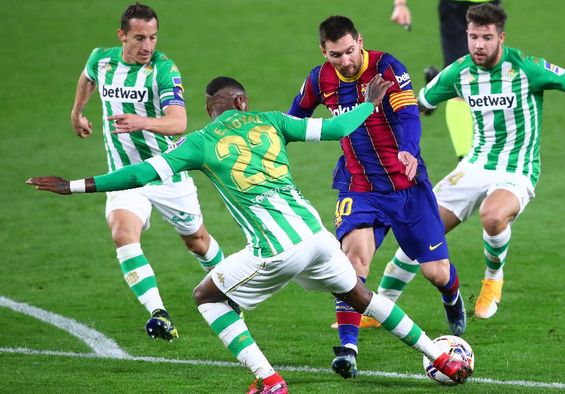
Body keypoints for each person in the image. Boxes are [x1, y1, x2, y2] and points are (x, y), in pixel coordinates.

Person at [27, 75, 473, 394]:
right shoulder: (272, 121)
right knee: (359, 294)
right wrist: (369, 102)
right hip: (317, 236)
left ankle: (270, 380)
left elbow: (139, 173)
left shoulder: (199, 142)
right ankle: (440, 357)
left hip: (275, 248)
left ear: (210, 109)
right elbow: (337, 128)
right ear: (241, 101)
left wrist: (74, 185)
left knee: (207, 296)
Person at [376, 3, 565, 319]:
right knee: (420, 230)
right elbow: (416, 105)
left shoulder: (526, 68)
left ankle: (493, 278)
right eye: (473, 36)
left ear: (501, 37)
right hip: (474, 166)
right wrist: (374, 120)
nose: (478, 44)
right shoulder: (458, 72)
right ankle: (379, 305)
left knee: (492, 216)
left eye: (486, 37)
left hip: (517, 170)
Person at [288, 15, 466, 379]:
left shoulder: (387, 67)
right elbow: (296, 118)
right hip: (359, 186)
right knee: (352, 264)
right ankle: (348, 349)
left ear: (360, 41)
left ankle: (452, 297)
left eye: (351, 51)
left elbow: (408, 114)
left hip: (405, 184)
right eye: (336, 55)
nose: (346, 61)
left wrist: (409, 150)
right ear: (324, 51)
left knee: (437, 272)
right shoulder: (318, 80)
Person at [69, 3, 224, 341]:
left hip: (167, 173)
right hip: (125, 175)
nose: (148, 46)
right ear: (121, 36)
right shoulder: (102, 59)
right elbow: (87, 77)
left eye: (153, 37)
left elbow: (178, 122)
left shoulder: (163, 70)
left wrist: (143, 122)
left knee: (197, 242)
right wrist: (78, 111)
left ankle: (226, 285)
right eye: (139, 38)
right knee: (122, 233)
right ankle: (159, 313)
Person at [391, 0, 501, 160]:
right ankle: (466, 158)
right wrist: (400, 4)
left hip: (489, 7)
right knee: (461, 83)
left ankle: (437, 85)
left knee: (484, 79)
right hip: (454, 8)